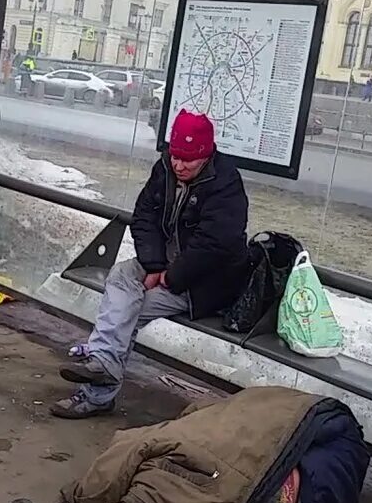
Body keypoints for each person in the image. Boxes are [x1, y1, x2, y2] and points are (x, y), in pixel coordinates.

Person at [52, 110, 249, 419]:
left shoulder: (225, 183)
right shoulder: (165, 169)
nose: (179, 165)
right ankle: (103, 363)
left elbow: (215, 246)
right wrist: (155, 265)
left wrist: (169, 278)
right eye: (175, 157)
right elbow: (144, 215)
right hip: (164, 263)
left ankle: (97, 393)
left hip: (206, 283)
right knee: (121, 275)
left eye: (189, 160)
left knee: (128, 311)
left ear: (206, 154)